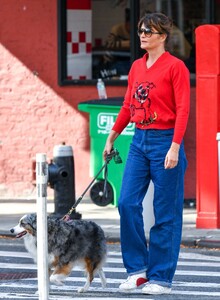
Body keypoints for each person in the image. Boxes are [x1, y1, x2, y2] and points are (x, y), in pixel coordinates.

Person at [103, 12, 190, 295]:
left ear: (163, 37)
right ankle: (138, 271)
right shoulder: (136, 67)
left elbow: (183, 110)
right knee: (127, 203)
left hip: (166, 140)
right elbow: (129, 105)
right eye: (141, 30)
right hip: (139, 141)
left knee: (166, 213)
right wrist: (112, 136)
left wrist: (175, 146)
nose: (142, 34)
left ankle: (162, 277)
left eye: (149, 31)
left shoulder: (175, 67)